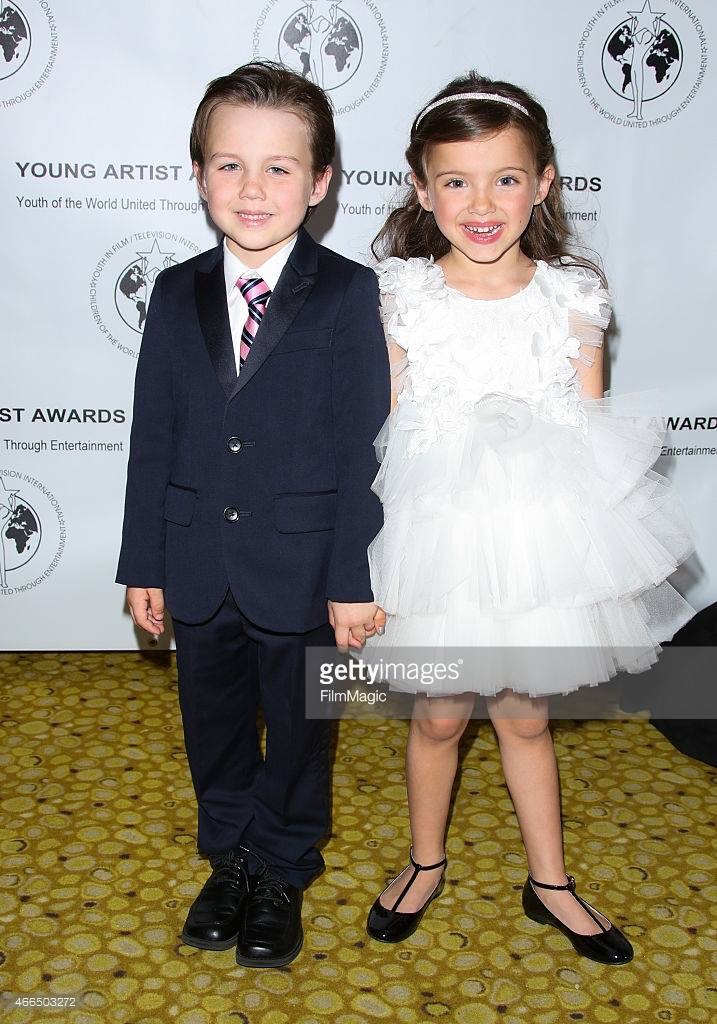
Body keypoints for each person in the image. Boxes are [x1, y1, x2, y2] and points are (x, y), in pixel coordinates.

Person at [361, 72, 694, 964]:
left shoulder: (573, 295)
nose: (481, 203)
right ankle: (424, 860)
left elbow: (593, 432)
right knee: (437, 713)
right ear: (422, 187)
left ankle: (549, 881)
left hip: (539, 541)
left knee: (523, 713)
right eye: (456, 181)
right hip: (437, 541)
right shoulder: (402, 295)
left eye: (505, 178)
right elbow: (383, 436)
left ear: (543, 182)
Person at [116, 61, 390, 968]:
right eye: (228, 165)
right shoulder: (173, 290)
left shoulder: (350, 294)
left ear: (319, 183)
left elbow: (363, 449)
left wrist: (352, 579)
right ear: (198, 176)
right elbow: (151, 433)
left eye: (279, 167)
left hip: (308, 566)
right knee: (214, 721)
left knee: (303, 727)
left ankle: (282, 864)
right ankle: (230, 855)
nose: (252, 188)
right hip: (196, 556)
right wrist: (142, 560)